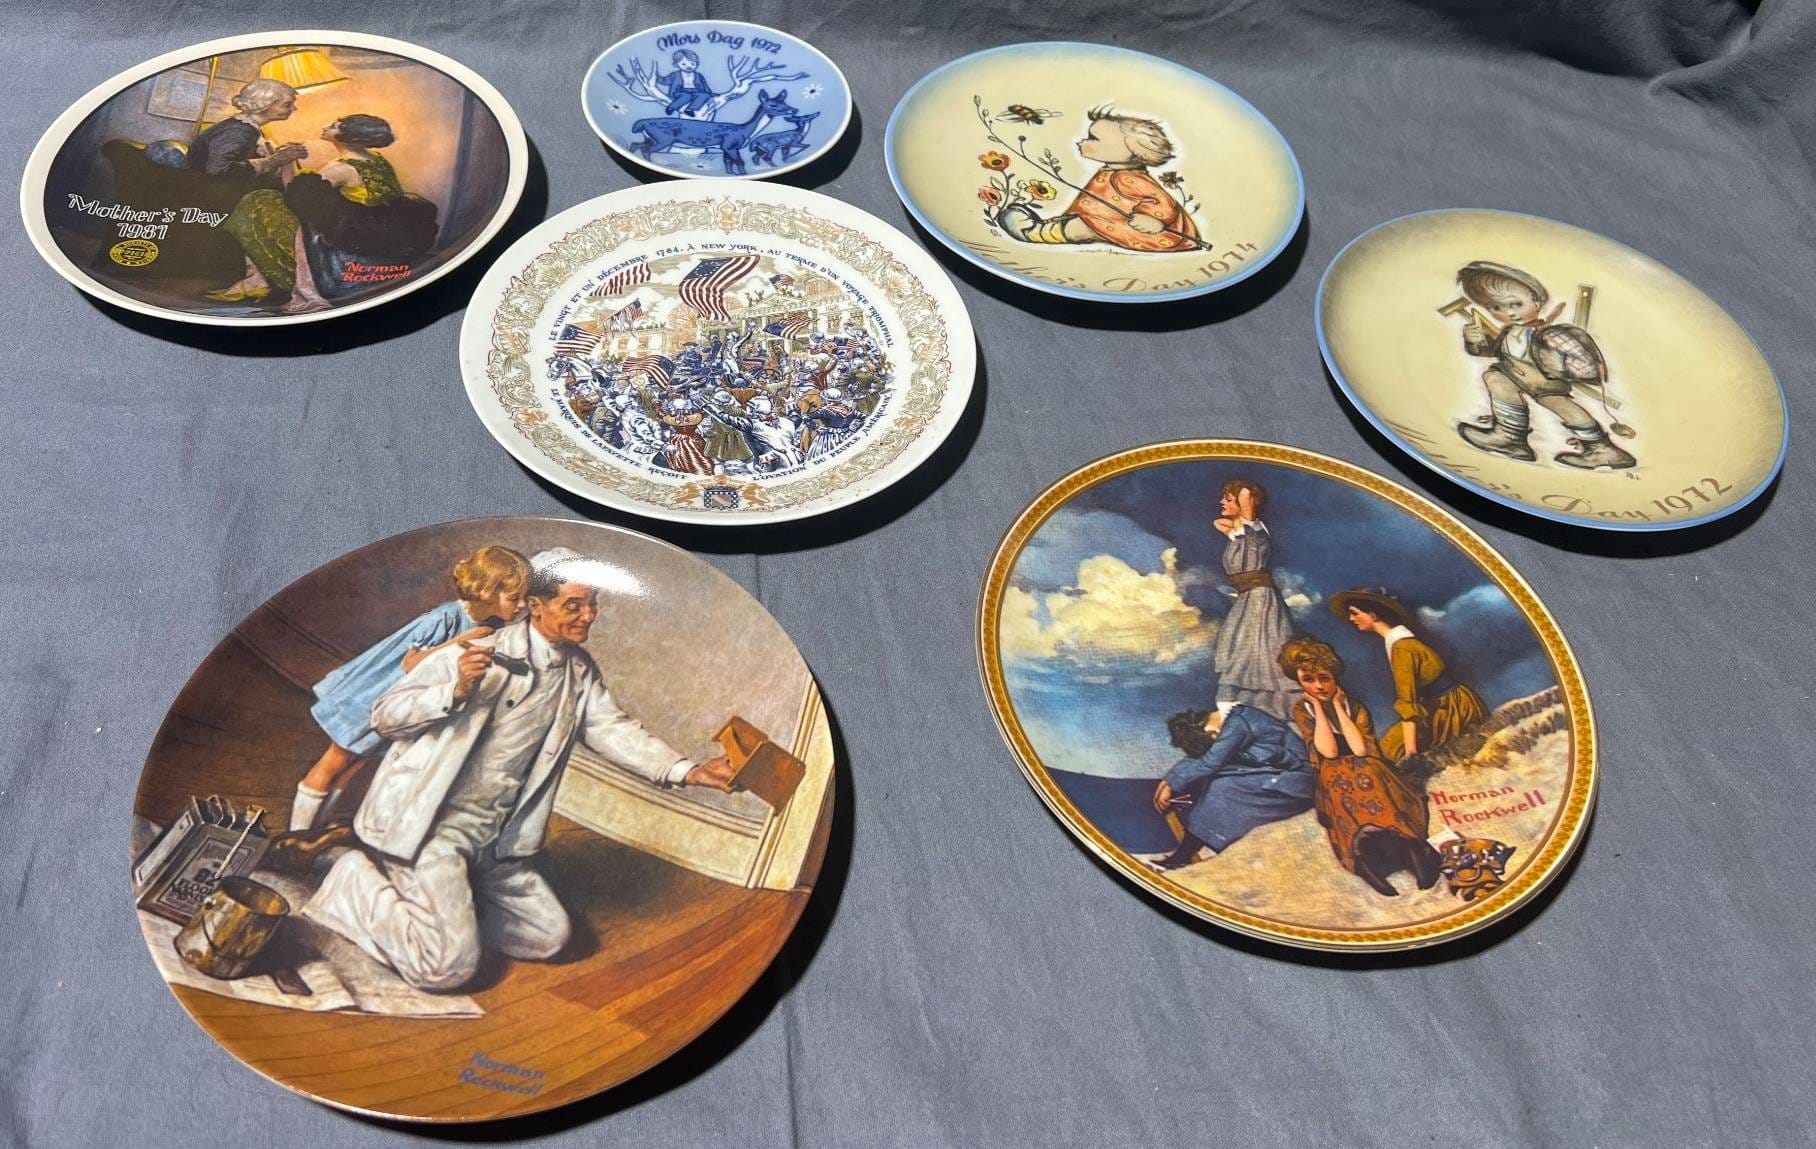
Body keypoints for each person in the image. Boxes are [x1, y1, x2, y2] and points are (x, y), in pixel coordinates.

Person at [302, 547, 737, 992]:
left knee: (549, 937)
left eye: (592, 605)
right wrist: (453, 691)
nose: (588, 616)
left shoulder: (578, 670)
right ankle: (351, 880)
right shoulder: (476, 649)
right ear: (535, 605)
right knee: (446, 969)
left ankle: (453, 911)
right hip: (428, 829)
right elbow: (385, 715)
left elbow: (614, 730)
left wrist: (690, 771)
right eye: (574, 605)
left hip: (496, 841)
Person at [291, 546, 532, 831]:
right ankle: (294, 837)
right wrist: (459, 641)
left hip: (403, 708)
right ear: (486, 592)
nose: (521, 605)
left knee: (355, 768)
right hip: (375, 697)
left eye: (523, 597)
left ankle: (314, 833)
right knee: (334, 762)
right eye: (514, 598)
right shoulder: (445, 618)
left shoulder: (490, 625)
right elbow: (410, 663)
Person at [1280, 636, 1441, 897]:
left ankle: (1413, 851)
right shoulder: (1303, 709)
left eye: (1324, 678)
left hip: (1369, 766)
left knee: (1366, 770)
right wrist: (1319, 709)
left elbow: (1360, 749)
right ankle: (1364, 861)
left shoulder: (1353, 707)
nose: (1318, 686)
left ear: (1335, 677)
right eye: (1308, 680)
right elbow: (1329, 752)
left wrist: (1337, 707)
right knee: (1336, 774)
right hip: (1332, 773)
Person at [1453, 260, 1635, 470]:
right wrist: (1475, 341)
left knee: (1561, 406)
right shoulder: (1508, 332)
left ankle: (1603, 449)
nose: (1509, 313)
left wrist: (1565, 366)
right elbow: (1494, 353)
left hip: (1545, 381)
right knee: (1496, 379)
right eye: (1496, 307)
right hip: (1517, 377)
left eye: (1516, 304)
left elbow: (1584, 363)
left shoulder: (1549, 335)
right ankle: (1510, 438)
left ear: (1537, 302)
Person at [997, 106, 1200, 251]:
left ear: (1135, 150)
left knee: (1086, 226)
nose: (1082, 142)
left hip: (1153, 233)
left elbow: (1163, 204)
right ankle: (1051, 227)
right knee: (1086, 223)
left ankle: (1035, 233)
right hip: (1114, 222)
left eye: (1093, 139)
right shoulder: (1113, 172)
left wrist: (1154, 220)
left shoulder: (1130, 179)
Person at [1141, 704, 1315, 872]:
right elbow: (1202, 758)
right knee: (1210, 784)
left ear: (1213, 734)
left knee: (1222, 788)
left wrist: (1170, 785)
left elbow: (1210, 761)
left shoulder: (1238, 723)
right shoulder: (1228, 721)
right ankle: (1184, 855)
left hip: (1296, 781)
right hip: (1275, 771)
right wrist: (1168, 781)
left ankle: (1185, 856)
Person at [1328, 588, 1488, 762]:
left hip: (1453, 709)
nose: (1351, 619)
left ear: (1372, 615)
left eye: (1354, 613)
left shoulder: (1402, 648)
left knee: (1391, 751)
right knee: (1388, 745)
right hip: (1446, 703)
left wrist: (1410, 754)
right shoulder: (1399, 643)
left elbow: (1407, 703)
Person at [190, 79, 309, 302]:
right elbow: (218, 171)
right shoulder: (237, 131)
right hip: (212, 194)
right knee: (279, 208)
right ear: (264, 105)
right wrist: (274, 160)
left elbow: (247, 161)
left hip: (232, 190)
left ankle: (258, 281)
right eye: (287, 104)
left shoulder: (249, 128)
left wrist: (279, 155)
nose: (294, 109)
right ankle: (264, 279)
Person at [1209, 479, 1301, 721]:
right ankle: (1239, 709)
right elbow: (1217, 522)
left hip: (1261, 598)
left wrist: (1241, 499)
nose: (1221, 502)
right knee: (1242, 649)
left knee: (1261, 649)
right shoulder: (1237, 534)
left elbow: (1247, 494)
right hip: (1247, 598)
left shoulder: (1255, 532)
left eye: (1228, 499)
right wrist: (1236, 520)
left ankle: (1273, 710)